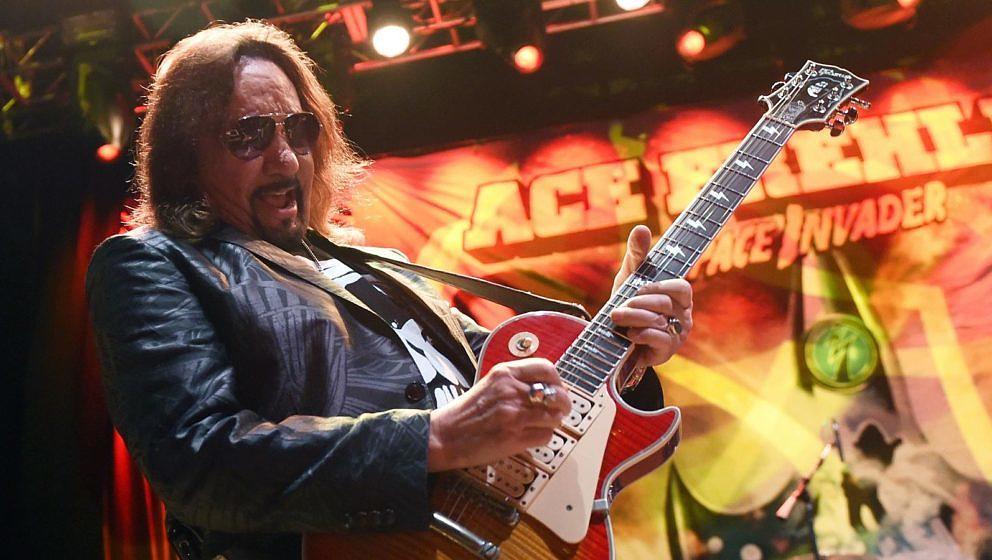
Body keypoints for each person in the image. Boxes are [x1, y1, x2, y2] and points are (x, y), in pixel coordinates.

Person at [86, 21, 693, 559]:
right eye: (248, 135)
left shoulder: (383, 267)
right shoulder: (154, 263)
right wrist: (435, 437)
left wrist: (625, 345)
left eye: (300, 129)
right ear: (184, 159)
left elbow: (522, 386)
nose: (287, 159)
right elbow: (198, 459)